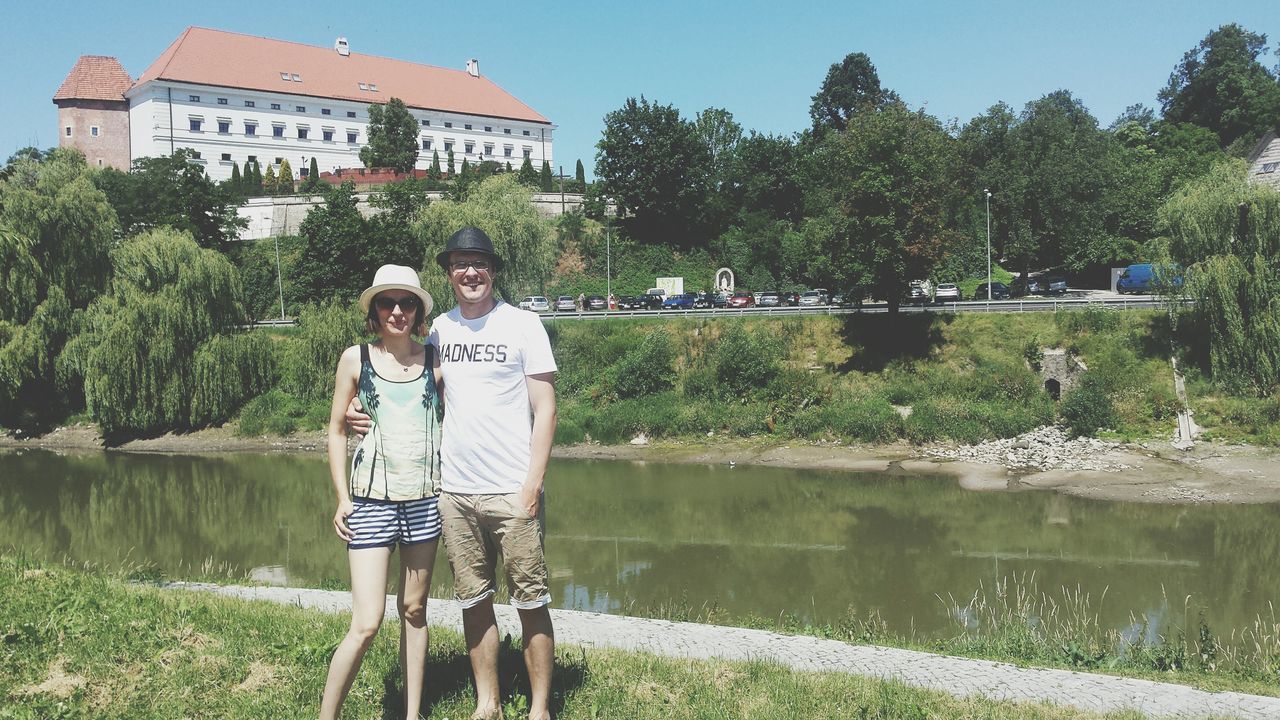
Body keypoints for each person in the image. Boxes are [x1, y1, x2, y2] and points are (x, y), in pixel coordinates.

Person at [348, 227, 558, 720]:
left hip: (512, 490)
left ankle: (541, 708)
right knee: (474, 600)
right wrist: (359, 405)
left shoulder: (524, 325)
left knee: (530, 601)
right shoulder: (438, 329)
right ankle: (488, 703)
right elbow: (403, 379)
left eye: (479, 263)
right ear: (448, 274)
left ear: (493, 271)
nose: (470, 272)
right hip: (455, 492)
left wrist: (532, 485)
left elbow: (546, 410)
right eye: (461, 264)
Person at [321, 264, 444, 720]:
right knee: (367, 621)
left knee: (414, 609)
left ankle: (412, 715)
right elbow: (335, 431)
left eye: (406, 302)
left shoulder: (435, 359)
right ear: (374, 312)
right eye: (387, 303)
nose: (397, 311)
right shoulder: (356, 359)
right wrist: (342, 497)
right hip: (370, 501)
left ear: (418, 310)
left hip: (424, 500)